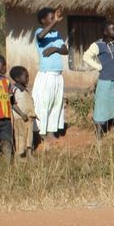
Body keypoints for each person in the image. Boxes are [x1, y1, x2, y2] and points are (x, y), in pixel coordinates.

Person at [32, 7, 69, 140]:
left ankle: (52, 131)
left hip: (58, 75)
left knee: (56, 104)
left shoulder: (56, 33)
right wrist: (56, 22)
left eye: (54, 18)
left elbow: (65, 50)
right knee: (44, 103)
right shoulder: (39, 32)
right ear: (43, 20)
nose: (54, 20)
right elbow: (41, 36)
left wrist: (54, 48)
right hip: (46, 75)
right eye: (51, 18)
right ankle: (42, 132)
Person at [8, 65, 37, 158]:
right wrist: (21, 114)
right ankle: (19, 155)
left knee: (29, 137)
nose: (28, 78)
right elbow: (12, 104)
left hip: (29, 118)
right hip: (20, 118)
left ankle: (29, 154)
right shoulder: (13, 90)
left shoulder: (26, 89)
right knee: (21, 136)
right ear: (17, 78)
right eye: (26, 76)